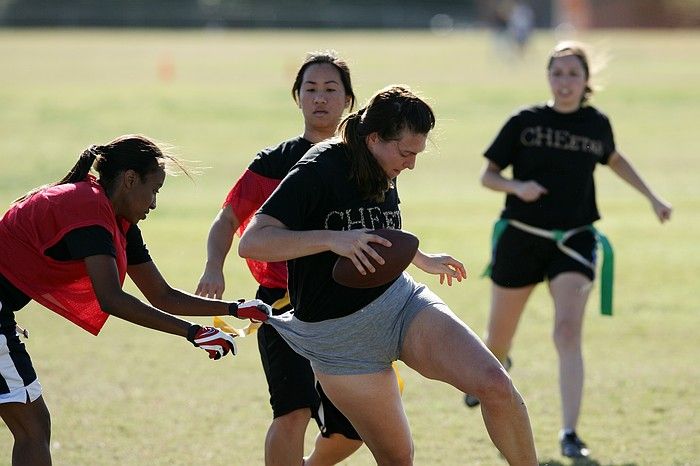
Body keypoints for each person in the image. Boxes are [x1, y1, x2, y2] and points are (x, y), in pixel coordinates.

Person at [238, 85, 539, 466]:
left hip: (400, 303)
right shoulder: (319, 168)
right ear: (374, 138)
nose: (411, 164)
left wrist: (420, 257)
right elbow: (254, 242)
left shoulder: (384, 162)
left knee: (496, 385)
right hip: (338, 338)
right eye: (406, 153)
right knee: (398, 458)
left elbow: (374, 231)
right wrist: (332, 240)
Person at [0, 134, 270, 466]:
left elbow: (162, 295)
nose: (154, 203)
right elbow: (111, 298)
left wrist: (234, 308)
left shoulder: (115, 218)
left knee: (32, 427)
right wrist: (192, 332)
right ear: (130, 179)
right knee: (32, 429)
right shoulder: (86, 209)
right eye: (154, 190)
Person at [465, 41, 673, 458]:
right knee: (497, 341)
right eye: (557, 73)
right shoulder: (524, 122)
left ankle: (569, 433)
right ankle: (498, 363)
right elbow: (488, 176)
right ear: (548, 77)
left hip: (574, 240)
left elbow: (614, 159)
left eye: (573, 74)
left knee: (567, 332)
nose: (564, 82)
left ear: (585, 80)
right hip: (521, 236)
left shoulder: (596, 124)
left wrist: (652, 196)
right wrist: (515, 187)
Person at [195, 51, 364, 466]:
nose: (320, 98)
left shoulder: (363, 161)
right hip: (280, 306)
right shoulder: (274, 162)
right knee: (293, 411)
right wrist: (213, 265)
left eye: (330, 89)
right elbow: (227, 218)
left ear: (348, 100)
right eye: (310, 89)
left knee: (354, 429)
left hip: (346, 306)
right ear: (297, 97)